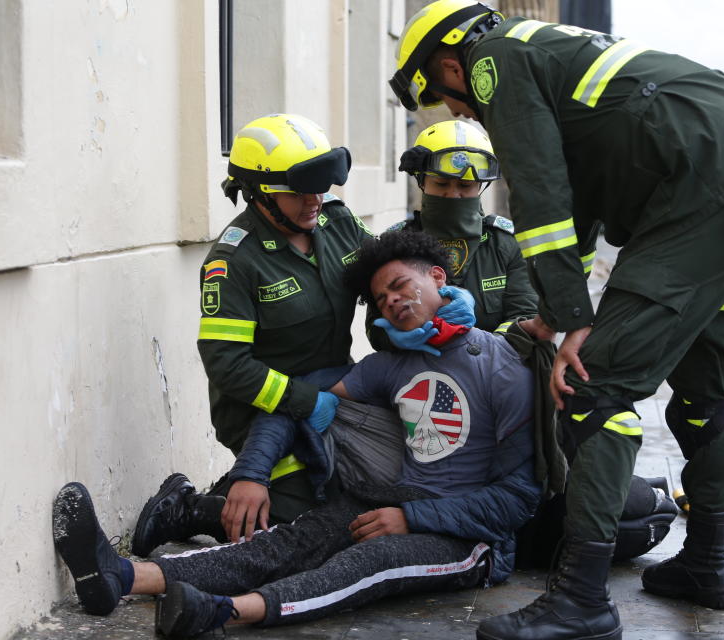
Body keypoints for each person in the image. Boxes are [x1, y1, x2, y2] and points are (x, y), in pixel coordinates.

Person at [388, 3, 724, 639]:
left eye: (446, 99)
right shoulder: (550, 53)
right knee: (706, 392)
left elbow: (538, 195)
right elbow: (579, 199)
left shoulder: (497, 61)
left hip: (704, 191)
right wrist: (553, 312)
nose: (462, 114)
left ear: (451, 63)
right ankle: (706, 562)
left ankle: (582, 600)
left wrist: (573, 322)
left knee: (592, 386)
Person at [52, 230, 542, 637]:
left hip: (471, 539)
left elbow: (518, 499)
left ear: (437, 277)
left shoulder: (502, 366)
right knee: (289, 543)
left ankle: (224, 611)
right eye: (380, 298)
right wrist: (253, 472)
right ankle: (120, 575)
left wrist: (413, 517)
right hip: (390, 499)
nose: (391, 301)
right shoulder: (389, 366)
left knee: (368, 563)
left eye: (398, 285)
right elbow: (295, 397)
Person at [131, 114, 476, 558]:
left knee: (375, 493)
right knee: (306, 523)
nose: (315, 200)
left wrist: (439, 301)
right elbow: (226, 363)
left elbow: (386, 277)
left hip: (336, 388)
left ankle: (240, 484)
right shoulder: (233, 263)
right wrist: (305, 401)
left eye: (321, 187)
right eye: (299, 192)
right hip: (263, 408)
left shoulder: (336, 223)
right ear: (259, 193)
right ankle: (187, 510)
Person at [370, 119, 537, 353]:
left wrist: (483, 348)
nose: (453, 194)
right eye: (441, 183)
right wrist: (396, 336)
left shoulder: (506, 242)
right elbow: (375, 328)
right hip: (417, 375)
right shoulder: (395, 244)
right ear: (421, 181)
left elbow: (526, 315)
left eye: (465, 185)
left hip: (492, 376)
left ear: (480, 186)